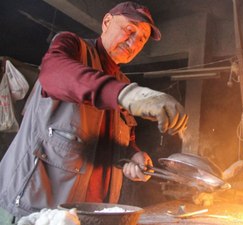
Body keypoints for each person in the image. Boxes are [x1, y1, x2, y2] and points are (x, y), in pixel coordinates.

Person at [0, 1, 188, 224]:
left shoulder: (121, 81)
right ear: (107, 22)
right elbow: (53, 74)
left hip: (90, 214)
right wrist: (128, 95)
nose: (133, 42)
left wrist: (133, 155)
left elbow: (114, 141)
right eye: (129, 30)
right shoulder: (73, 47)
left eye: (141, 39)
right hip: (35, 211)